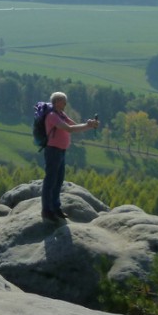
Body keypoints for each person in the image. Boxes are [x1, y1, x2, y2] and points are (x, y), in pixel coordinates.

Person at [41, 91, 99, 222]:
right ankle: (46, 210)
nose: (65, 103)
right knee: (50, 181)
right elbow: (69, 129)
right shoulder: (52, 116)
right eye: (63, 101)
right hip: (53, 151)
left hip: (61, 151)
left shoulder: (61, 114)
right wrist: (87, 125)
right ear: (56, 102)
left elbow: (73, 125)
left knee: (58, 180)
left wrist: (89, 125)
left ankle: (56, 208)